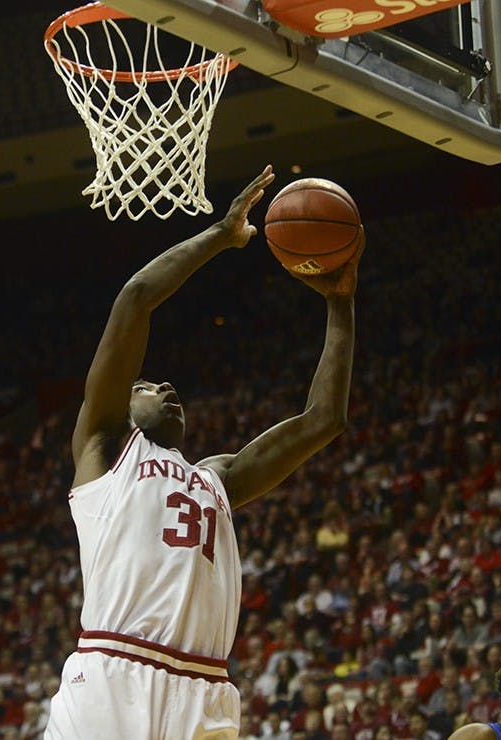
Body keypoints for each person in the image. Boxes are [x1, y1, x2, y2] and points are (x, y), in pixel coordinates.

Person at [44, 165, 362, 739]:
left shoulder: (217, 478)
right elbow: (136, 298)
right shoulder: (106, 448)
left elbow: (324, 420)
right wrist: (220, 234)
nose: (167, 389)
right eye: (147, 385)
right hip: (115, 671)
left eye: (167, 386)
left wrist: (340, 303)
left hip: (205, 690)